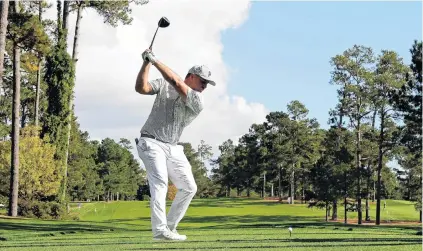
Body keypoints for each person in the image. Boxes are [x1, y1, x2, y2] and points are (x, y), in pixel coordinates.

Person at [134, 49, 216, 241]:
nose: (205, 86)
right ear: (192, 76)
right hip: (151, 142)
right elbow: (141, 88)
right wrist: (146, 64)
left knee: (189, 187)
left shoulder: (198, 100)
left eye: (207, 83)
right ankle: (160, 230)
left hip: (172, 147)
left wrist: (154, 60)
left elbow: (177, 82)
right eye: (202, 81)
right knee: (160, 183)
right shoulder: (163, 84)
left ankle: (169, 227)